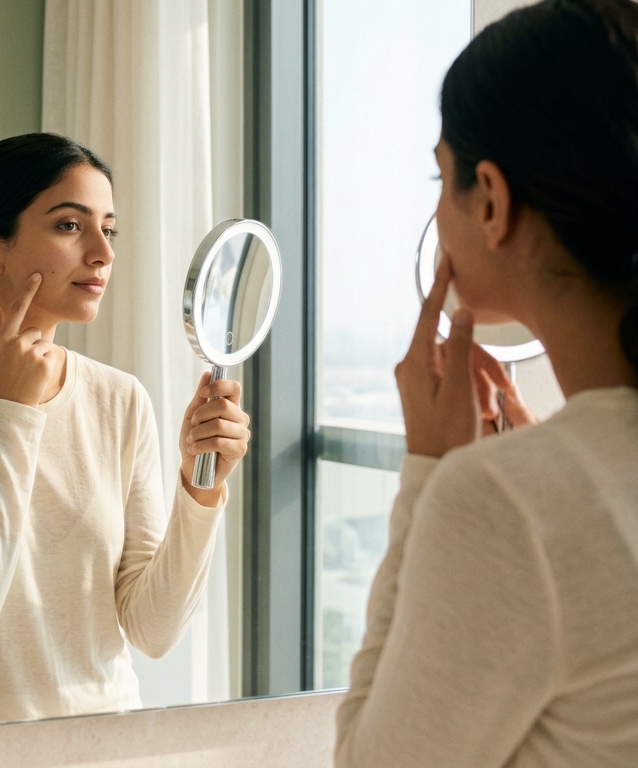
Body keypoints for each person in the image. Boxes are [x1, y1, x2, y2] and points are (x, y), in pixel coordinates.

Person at [0, 133, 250, 733]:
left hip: (98, 744)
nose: (102, 253)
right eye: (69, 226)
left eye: (108, 230)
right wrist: (12, 409)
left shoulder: (119, 399)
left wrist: (201, 489)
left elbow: (153, 630)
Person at [335, 1, 638, 765]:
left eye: (441, 176)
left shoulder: (503, 500)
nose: (438, 208)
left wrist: (433, 472)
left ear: (493, 200)